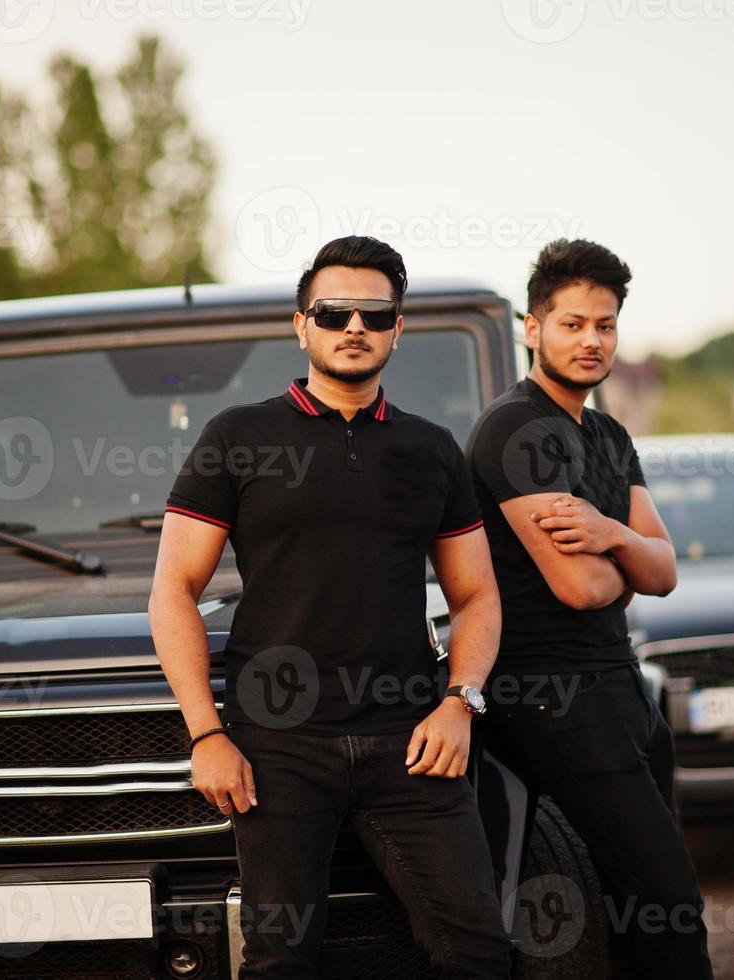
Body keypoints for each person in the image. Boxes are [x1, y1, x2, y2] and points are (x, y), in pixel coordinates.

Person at [149, 235, 512, 979]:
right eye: (334, 311)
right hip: (277, 749)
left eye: (375, 316)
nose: (355, 327)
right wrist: (205, 735)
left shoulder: (431, 450)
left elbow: (476, 595)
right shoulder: (238, 439)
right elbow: (172, 591)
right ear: (301, 324)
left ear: (397, 329)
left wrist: (459, 704)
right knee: (281, 960)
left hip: (411, 741)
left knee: (476, 951)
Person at [466, 238, 713, 977]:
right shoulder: (517, 430)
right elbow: (578, 587)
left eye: (604, 325)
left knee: (634, 909)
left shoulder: (607, 434)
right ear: (531, 328)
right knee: (671, 903)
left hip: (619, 684)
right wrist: (629, 555)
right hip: (551, 694)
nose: (590, 340)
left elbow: (665, 571)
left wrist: (608, 535)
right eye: (571, 324)